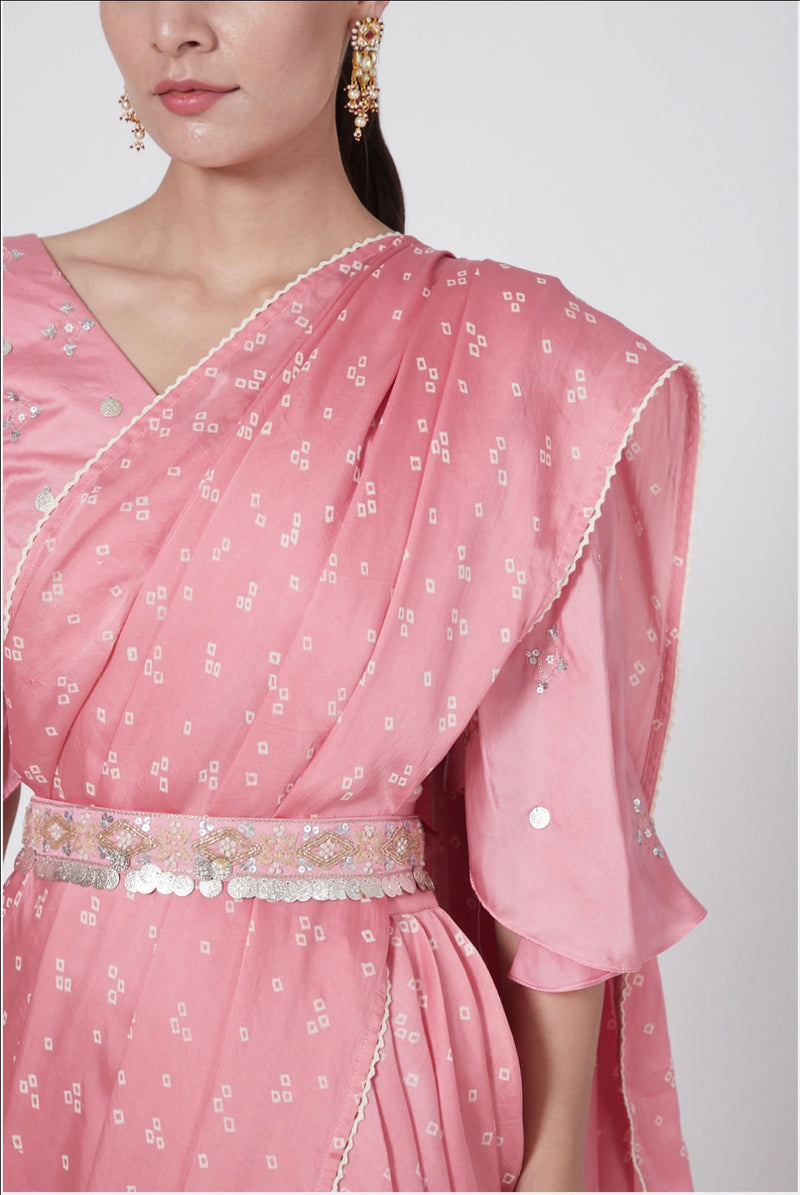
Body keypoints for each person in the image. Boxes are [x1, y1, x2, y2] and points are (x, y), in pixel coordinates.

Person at [2, 2, 706, 1191]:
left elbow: (557, 831)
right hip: (48, 1051)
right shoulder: (11, 326)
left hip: (360, 1076)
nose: (177, 26)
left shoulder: (511, 363)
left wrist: (550, 1167)